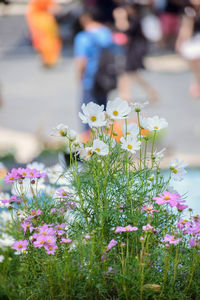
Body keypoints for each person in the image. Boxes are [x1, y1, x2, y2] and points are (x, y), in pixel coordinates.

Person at [113, 4, 159, 103]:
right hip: (130, 49)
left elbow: (124, 29)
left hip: (136, 50)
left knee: (130, 72)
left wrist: (120, 18)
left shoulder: (136, 20)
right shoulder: (132, 19)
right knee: (127, 72)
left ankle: (127, 95)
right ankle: (125, 94)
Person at [74, 8, 114, 110]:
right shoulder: (106, 32)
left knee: (88, 113)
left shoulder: (83, 37)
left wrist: (79, 75)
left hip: (90, 78)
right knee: (103, 110)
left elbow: (82, 60)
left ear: (86, 18)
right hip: (105, 77)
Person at [26, 0, 62, 67]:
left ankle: (47, 58)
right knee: (49, 41)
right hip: (44, 21)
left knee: (42, 41)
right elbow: (55, 8)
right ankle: (49, 59)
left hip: (37, 20)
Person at [176, 0, 200, 98]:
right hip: (194, 39)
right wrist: (180, 41)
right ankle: (197, 82)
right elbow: (185, 27)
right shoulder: (188, 10)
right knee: (194, 63)